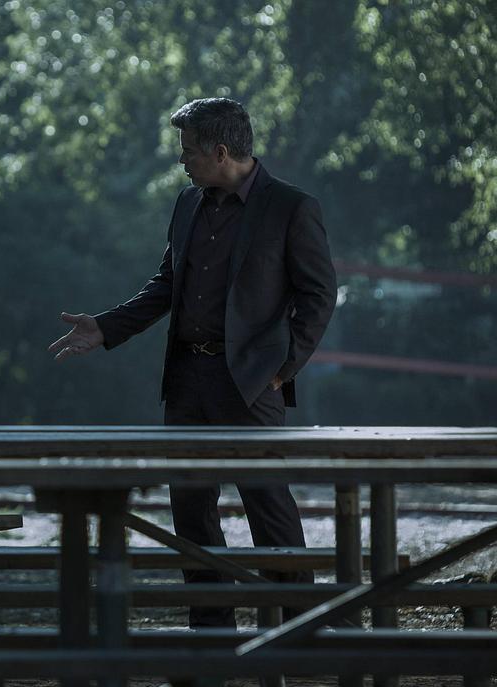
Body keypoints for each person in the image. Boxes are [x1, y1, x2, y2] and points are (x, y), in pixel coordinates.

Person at [49, 98, 336, 627]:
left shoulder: (291, 207)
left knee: (267, 503)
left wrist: (282, 368)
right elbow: (166, 285)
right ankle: (211, 628)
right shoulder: (187, 203)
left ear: (220, 152)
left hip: (251, 382)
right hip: (186, 378)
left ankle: (295, 626)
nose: (182, 161)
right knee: (191, 508)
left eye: (188, 152)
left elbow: (319, 296)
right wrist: (106, 327)